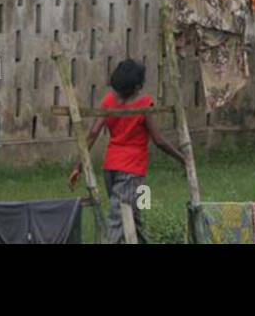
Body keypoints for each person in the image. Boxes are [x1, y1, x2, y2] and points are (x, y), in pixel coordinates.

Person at [68, 58, 186, 243]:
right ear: (138, 86)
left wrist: (77, 166)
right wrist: (183, 159)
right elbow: (159, 140)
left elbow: (92, 133)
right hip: (132, 170)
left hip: (111, 168)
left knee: (134, 216)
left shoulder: (108, 101)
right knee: (118, 220)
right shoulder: (144, 104)